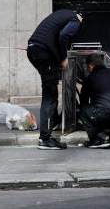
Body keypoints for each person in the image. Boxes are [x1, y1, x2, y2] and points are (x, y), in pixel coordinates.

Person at [26, 9, 83, 150]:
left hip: (33, 48)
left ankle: (54, 122)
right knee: (50, 96)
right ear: (81, 17)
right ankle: (45, 139)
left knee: (49, 88)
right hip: (44, 53)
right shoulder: (75, 19)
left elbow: (54, 34)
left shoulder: (62, 14)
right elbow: (64, 36)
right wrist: (63, 58)